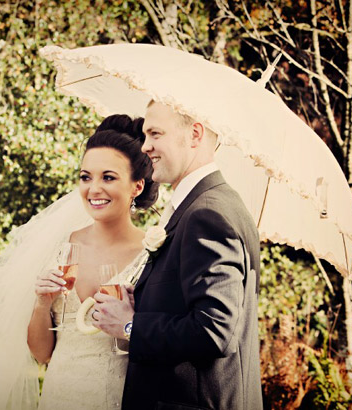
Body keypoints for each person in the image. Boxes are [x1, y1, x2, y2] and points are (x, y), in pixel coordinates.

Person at [0, 114, 158, 410]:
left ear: (137, 186)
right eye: (86, 177)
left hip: (123, 397)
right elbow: (42, 354)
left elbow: (160, 343)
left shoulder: (153, 253)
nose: (93, 189)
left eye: (108, 177)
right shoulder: (61, 248)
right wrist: (42, 303)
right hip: (60, 395)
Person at [93, 101, 263, 410]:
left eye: (155, 133)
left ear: (195, 134)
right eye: (145, 135)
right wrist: (140, 302)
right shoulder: (203, 205)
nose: (145, 146)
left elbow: (214, 331)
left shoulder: (208, 213)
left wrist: (131, 326)